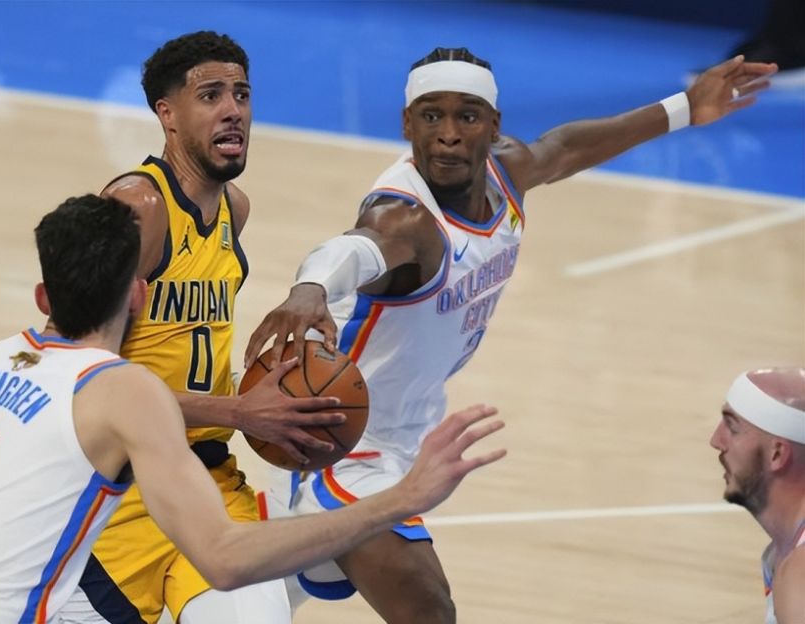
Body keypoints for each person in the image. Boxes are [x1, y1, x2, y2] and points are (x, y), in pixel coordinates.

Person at [244, 47, 779, 623]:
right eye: (431, 116)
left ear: (493, 126)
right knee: (428, 609)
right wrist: (311, 286)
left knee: (261, 591)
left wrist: (685, 108)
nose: (449, 134)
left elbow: (564, 148)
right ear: (406, 124)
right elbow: (353, 249)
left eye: (467, 116)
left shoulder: (506, 171)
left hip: (409, 433)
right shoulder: (405, 219)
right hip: (342, 440)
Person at [0, 194, 508, 624]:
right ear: (140, 296)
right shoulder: (122, 389)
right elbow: (225, 557)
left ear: (41, 296)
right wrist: (401, 498)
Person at [64, 32, 346, 624]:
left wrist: (283, 389)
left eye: (241, 93)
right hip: (116, 490)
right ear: (167, 114)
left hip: (208, 484)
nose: (233, 109)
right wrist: (239, 411)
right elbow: (75, 382)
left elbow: (184, 347)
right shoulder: (138, 209)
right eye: (211, 95)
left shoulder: (233, 210)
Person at [709, 367, 805, 624]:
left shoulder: (801, 574)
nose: (716, 440)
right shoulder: (783, 554)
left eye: (732, 428)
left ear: (777, 453)